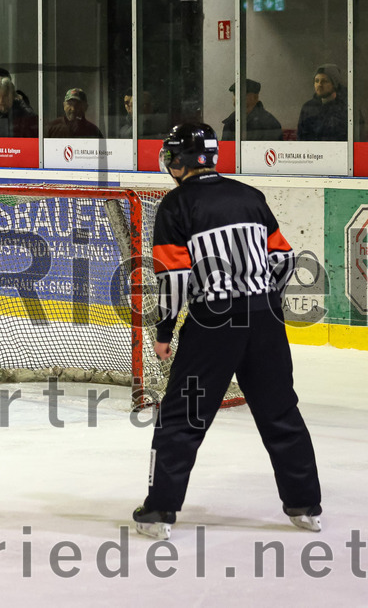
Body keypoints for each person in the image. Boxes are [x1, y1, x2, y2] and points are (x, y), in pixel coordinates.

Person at [131, 123, 322, 540]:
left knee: (183, 415)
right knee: (279, 410)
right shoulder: (250, 196)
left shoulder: (175, 206)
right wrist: (260, 298)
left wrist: (164, 330)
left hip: (214, 320)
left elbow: (177, 281)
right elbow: (285, 259)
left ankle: (160, 510)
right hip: (266, 317)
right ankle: (305, 505)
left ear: (178, 160)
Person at [297, 64, 347, 141]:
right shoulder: (308, 107)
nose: (319, 85)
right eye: (316, 81)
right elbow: (301, 137)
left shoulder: (347, 107)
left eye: (325, 81)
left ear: (334, 84)